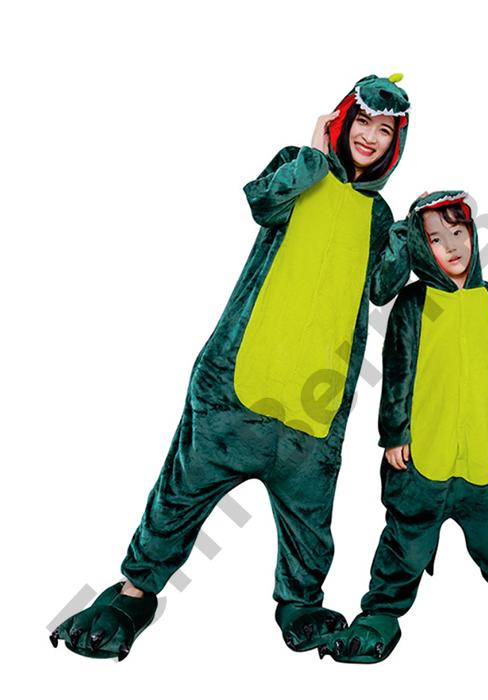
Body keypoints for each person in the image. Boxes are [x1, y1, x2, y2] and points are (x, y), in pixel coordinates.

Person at [49, 73, 412, 661]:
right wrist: (312, 154)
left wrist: (406, 234)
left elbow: (381, 288)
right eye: (363, 122)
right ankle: (133, 595)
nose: (370, 137)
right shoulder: (301, 166)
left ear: (396, 143)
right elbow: (261, 202)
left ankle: (300, 603)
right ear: (343, 121)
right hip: (236, 388)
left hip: (314, 405)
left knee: (309, 520)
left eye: (385, 131)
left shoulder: (379, 214)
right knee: (180, 496)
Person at [319, 191, 488, 664]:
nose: (452, 246)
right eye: (436, 239)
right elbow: (397, 372)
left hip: (481, 449)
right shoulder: (413, 304)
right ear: (422, 249)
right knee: (407, 540)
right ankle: (381, 611)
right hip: (424, 453)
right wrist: (394, 433)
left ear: (473, 235)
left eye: (458, 232)